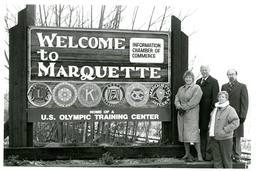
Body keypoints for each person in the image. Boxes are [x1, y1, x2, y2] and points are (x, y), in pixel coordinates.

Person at [174, 70, 203, 161]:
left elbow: (195, 100)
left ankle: (199, 155)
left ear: (193, 78)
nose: (188, 79)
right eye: (186, 77)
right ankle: (187, 153)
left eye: (190, 77)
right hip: (181, 113)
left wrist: (185, 108)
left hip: (191, 113)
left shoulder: (196, 88)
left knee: (193, 134)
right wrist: (179, 107)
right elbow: (176, 98)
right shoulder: (181, 88)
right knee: (184, 133)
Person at [221, 69, 249, 163]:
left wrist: (243, 115)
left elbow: (245, 102)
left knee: (237, 136)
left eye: (233, 74)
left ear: (236, 75)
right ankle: (229, 155)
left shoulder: (242, 86)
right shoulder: (224, 86)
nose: (231, 76)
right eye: (229, 74)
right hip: (226, 115)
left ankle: (237, 156)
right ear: (227, 76)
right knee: (228, 136)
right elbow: (222, 101)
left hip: (237, 116)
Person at [209, 91, 239, 168]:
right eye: (219, 97)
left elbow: (236, 122)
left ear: (226, 98)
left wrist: (225, 130)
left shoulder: (230, 109)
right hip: (215, 137)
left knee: (227, 160)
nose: (220, 98)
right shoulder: (215, 109)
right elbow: (211, 120)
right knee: (217, 160)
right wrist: (210, 127)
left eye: (223, 97)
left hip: (225, 138)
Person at [196, 65, 219, 161]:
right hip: (198, 111)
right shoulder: (198, 82)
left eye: (206, 70)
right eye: (202, 70)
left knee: (208, 133)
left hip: (208, 111)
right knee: (201, 132)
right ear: (200, 71)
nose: (204, 71)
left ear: (209, 70)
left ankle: (208, 155)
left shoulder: (214, 81)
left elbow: (215, 97)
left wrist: (213, 110)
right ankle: (201, 154)